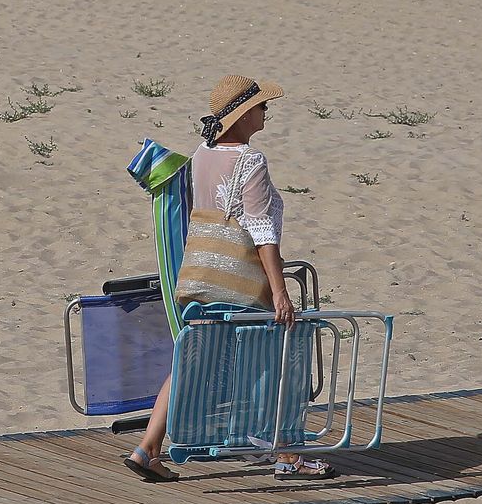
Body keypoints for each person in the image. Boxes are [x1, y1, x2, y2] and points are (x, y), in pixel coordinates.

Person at [124, 76, 334, 483]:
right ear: (240, 116)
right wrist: (279, 291)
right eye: (259, 107)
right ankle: (287, 455)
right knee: (275, 360)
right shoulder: (250, 161)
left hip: (199, 272)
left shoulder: (203, 153)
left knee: (190, 357)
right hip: (236, 279)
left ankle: (147, 447)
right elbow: (260, 232)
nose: (265, 111)